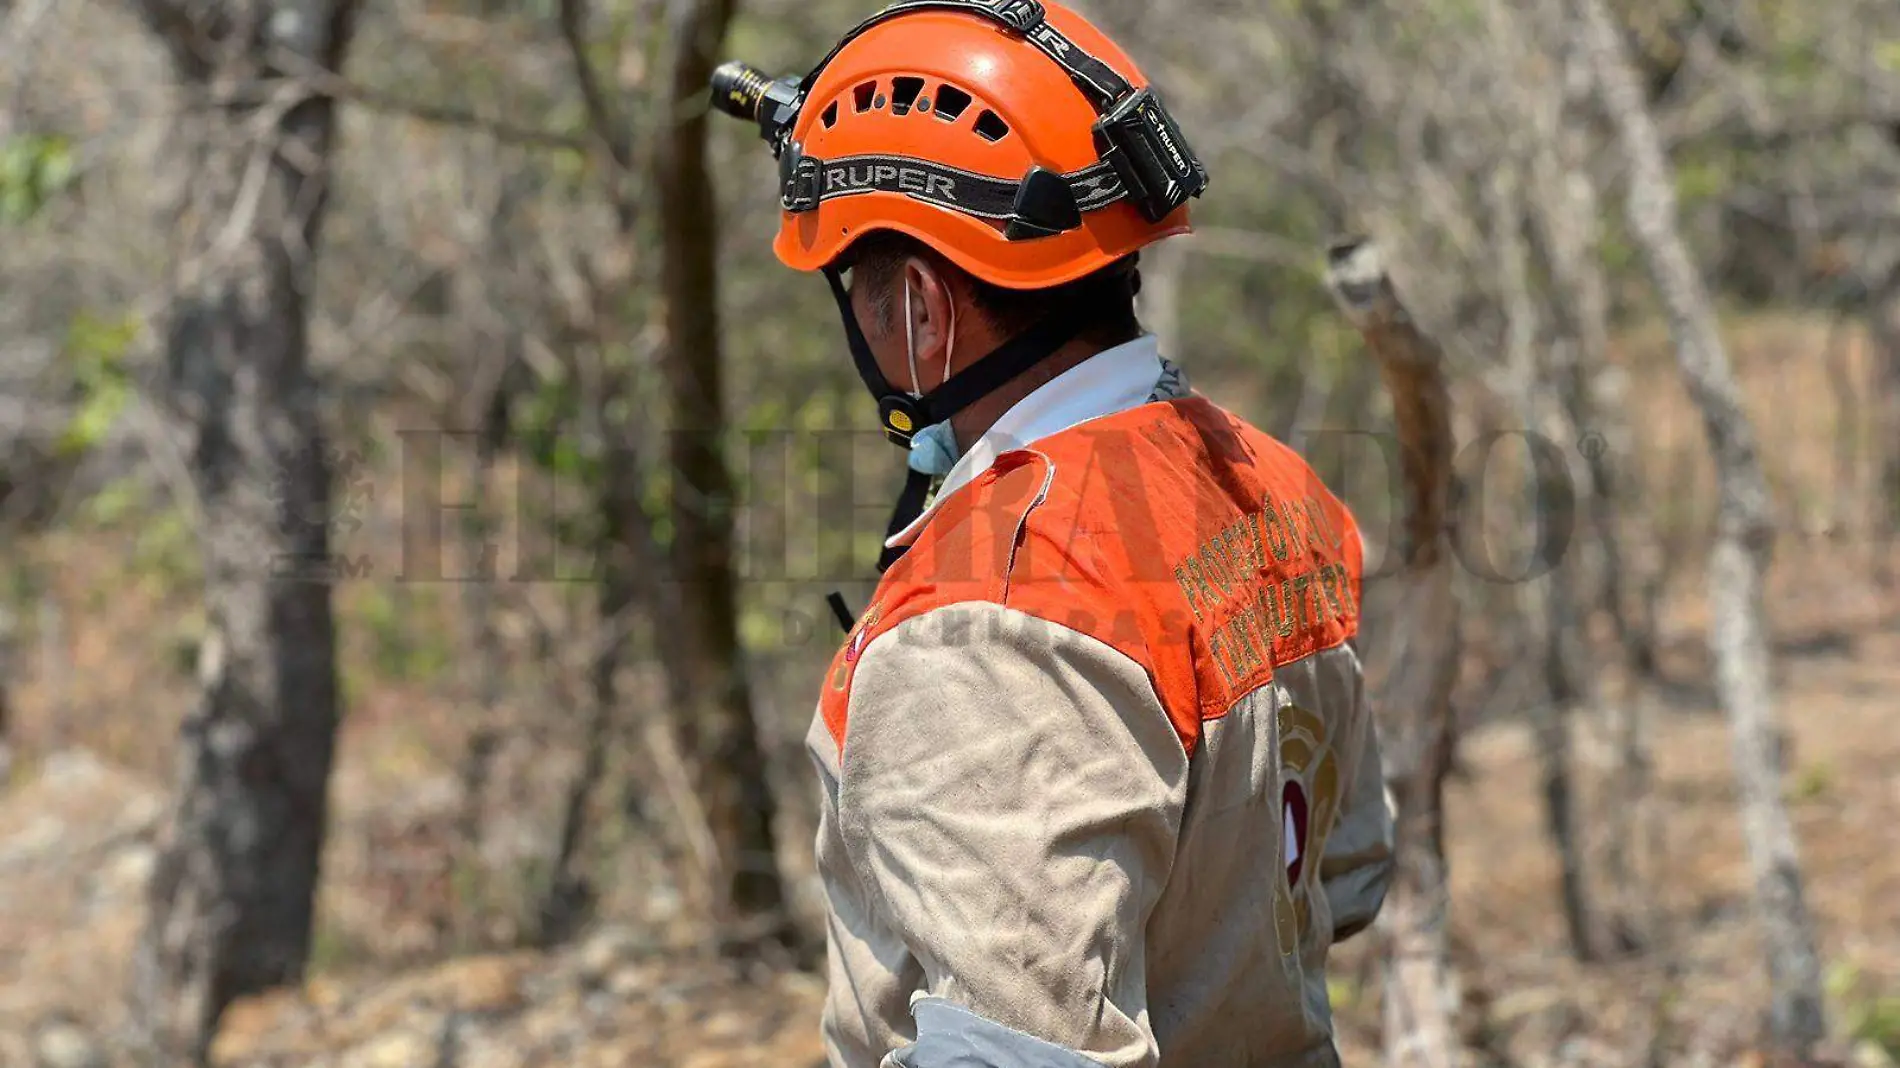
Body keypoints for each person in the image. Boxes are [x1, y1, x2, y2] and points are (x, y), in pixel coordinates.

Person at [720, 2, 1393, 1064]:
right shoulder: (1276, 486)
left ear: (923, 311)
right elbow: (1346, 875)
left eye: (857, 287)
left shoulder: (987, 621)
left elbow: (1016, 1050)